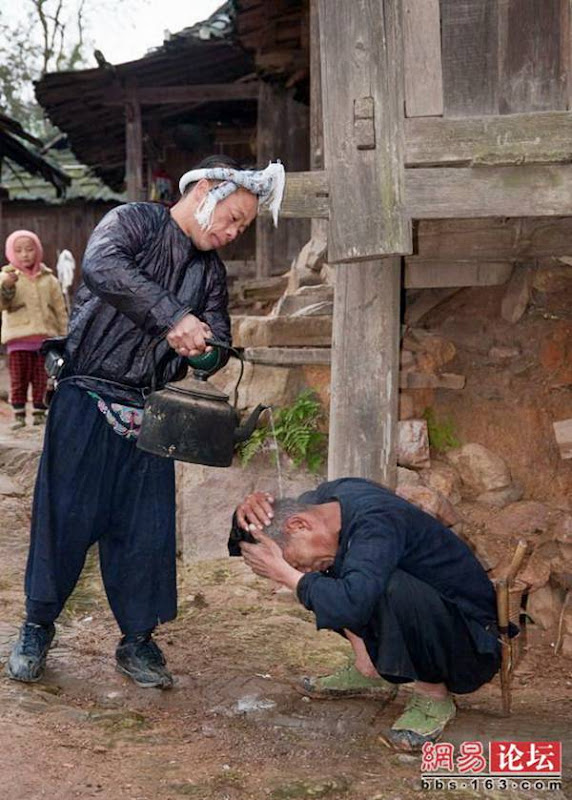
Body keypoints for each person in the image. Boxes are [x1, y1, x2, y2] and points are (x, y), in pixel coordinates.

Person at [7, 155, 285, 689]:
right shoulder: (133, 221)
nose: (233, 233)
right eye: (233, 219)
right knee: (64, 516)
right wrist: (173, 317)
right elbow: (103, 268)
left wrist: (204, 352)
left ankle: (137, 639)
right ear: (205, 190)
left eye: (243, 228)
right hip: (86, 395)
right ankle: (37, 626)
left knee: (145, 530)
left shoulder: (208, 273)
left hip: (151, 409)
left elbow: (219, 345)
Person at [230, 478, 513, 751]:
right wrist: (246, 512)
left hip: (468, 646)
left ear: (299, 525)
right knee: (328, 573)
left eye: (293, 560)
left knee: (378, 586)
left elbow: (351, 602)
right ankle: (369, 665)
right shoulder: (323, 503)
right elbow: (247, 540)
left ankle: (433, 695)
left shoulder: (378, 522)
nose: (299, 569)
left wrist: (291, 577)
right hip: (431, 624)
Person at [0, 230, 68, 429]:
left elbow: (60, 309)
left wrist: (64, 336)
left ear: (37, 251)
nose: (24, 255)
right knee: (19, 378)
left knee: (41, 377)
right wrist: (7, 287)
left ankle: (40, 412)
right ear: (11, 253)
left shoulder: (50, 280)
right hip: (17, 340)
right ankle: (19, 414)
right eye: (18, 250)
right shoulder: (6, 277)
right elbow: (3, 305)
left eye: (29, 249)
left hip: (44, 340)